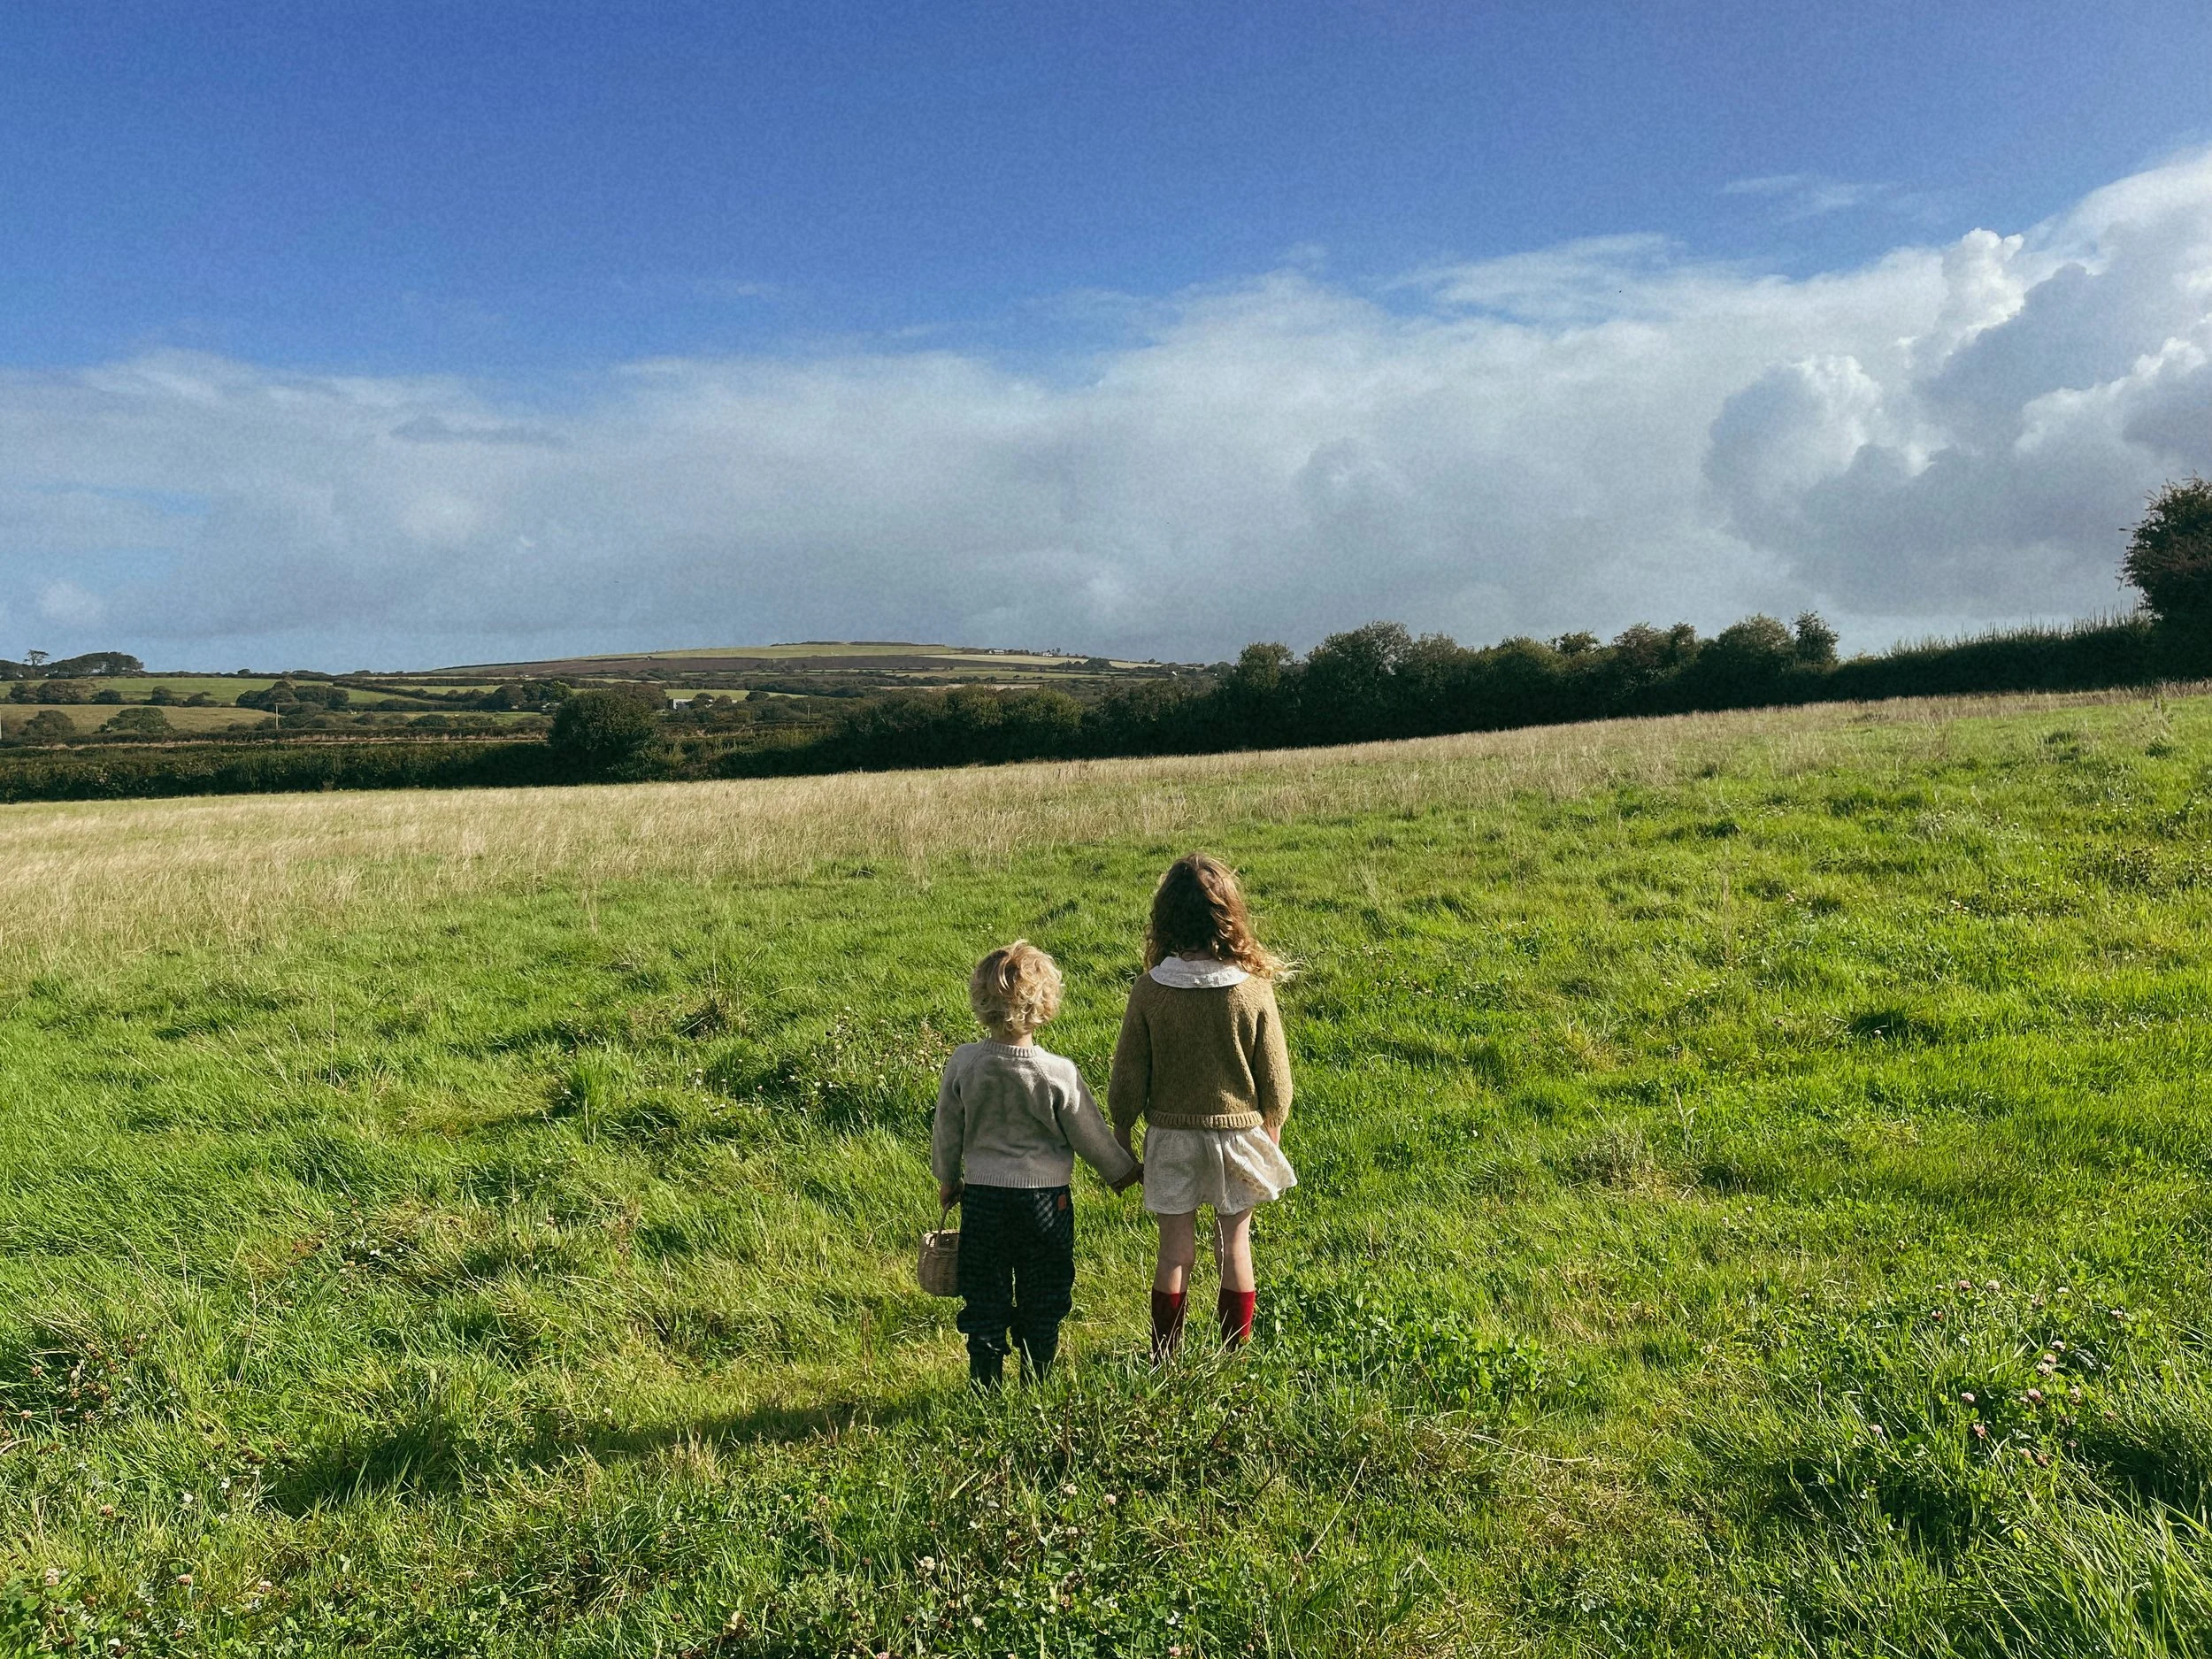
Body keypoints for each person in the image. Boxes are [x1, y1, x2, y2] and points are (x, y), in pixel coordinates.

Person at [1110, 854, 1295, 1358]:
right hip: (1238, 1135)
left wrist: (1123, 1131)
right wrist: (1272, 1129)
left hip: (1171, 1138)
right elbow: (1276, 1078)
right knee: (1235, 1246)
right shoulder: (1254, 989)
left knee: (1174, 1252)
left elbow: (1128, 1074)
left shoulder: (1148, 990)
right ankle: (1233, 1353)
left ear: (1165, 919)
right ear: (1228, 915)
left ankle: (1166, 1356)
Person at [933, 940, 1141, 1387]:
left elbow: (947, 1128)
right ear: (1045, 1005)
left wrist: (948, 1178)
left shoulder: (965, 1063)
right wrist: (1122, 1171)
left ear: (981, 1004)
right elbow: (1089, 1133)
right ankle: (1037, 1379)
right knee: (1044, 1289)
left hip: (984, 1200)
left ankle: (984, 1382)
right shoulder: (1056, 1071)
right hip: (1046, 1204)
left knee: (985, 1292)